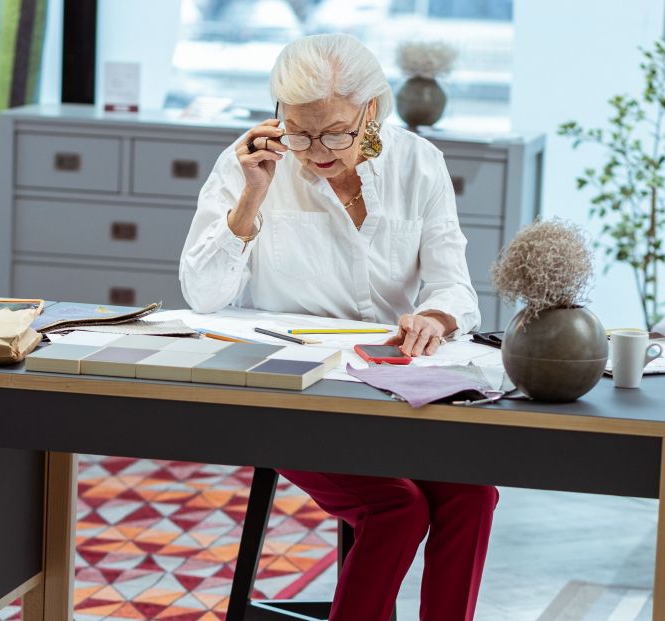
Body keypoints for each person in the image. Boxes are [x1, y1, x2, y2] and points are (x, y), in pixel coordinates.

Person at [180, 33, 498, 621]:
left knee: (473, 496)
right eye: (298, 131)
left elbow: (456, 288)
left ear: (370, 112)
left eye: (333, 132)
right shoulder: (251, 162)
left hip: (389, 393)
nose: (314, 151)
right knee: (397, 508)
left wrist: (434, 316)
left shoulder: (418, 163)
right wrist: (251, 197)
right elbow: (202, 295)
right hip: (290, 395)